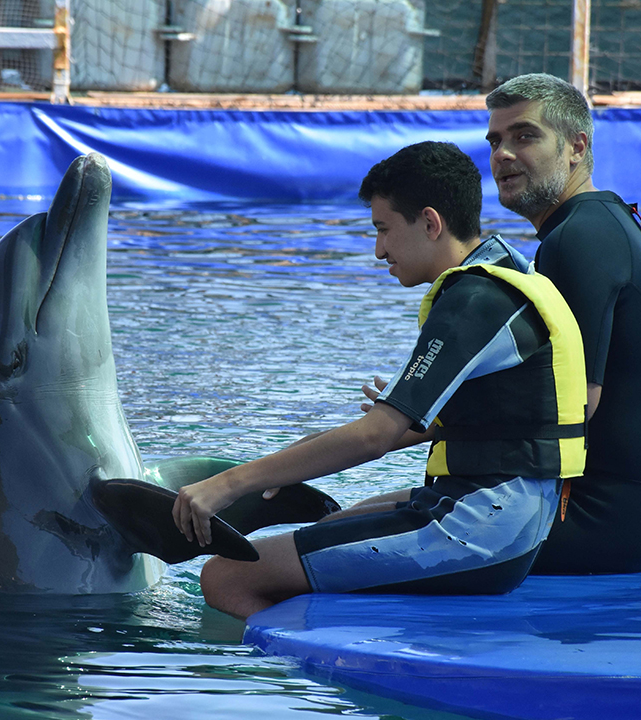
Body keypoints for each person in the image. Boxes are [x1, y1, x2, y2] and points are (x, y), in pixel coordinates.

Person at [171, 141, 588, 619]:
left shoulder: (474, 301)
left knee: (227, 573)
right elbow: (482, 419)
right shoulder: (506, 270)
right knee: (337, 522)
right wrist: (297, 460)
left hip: (480, 530)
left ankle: (296, 685)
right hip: (514, 521)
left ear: (430, 223)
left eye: (384, 230)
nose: (378, 250)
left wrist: (226, 485)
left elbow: (375, 436)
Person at [480, 73, 641, 575]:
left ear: (576, 146)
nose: (503, 154)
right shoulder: (601, 222)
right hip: (621, 522)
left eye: (525, 136)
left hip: (591, 523)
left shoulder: (578, 238)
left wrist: (428, 410)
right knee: (392, 508)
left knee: (366, 535)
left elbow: (572, 402)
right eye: (496, 141)